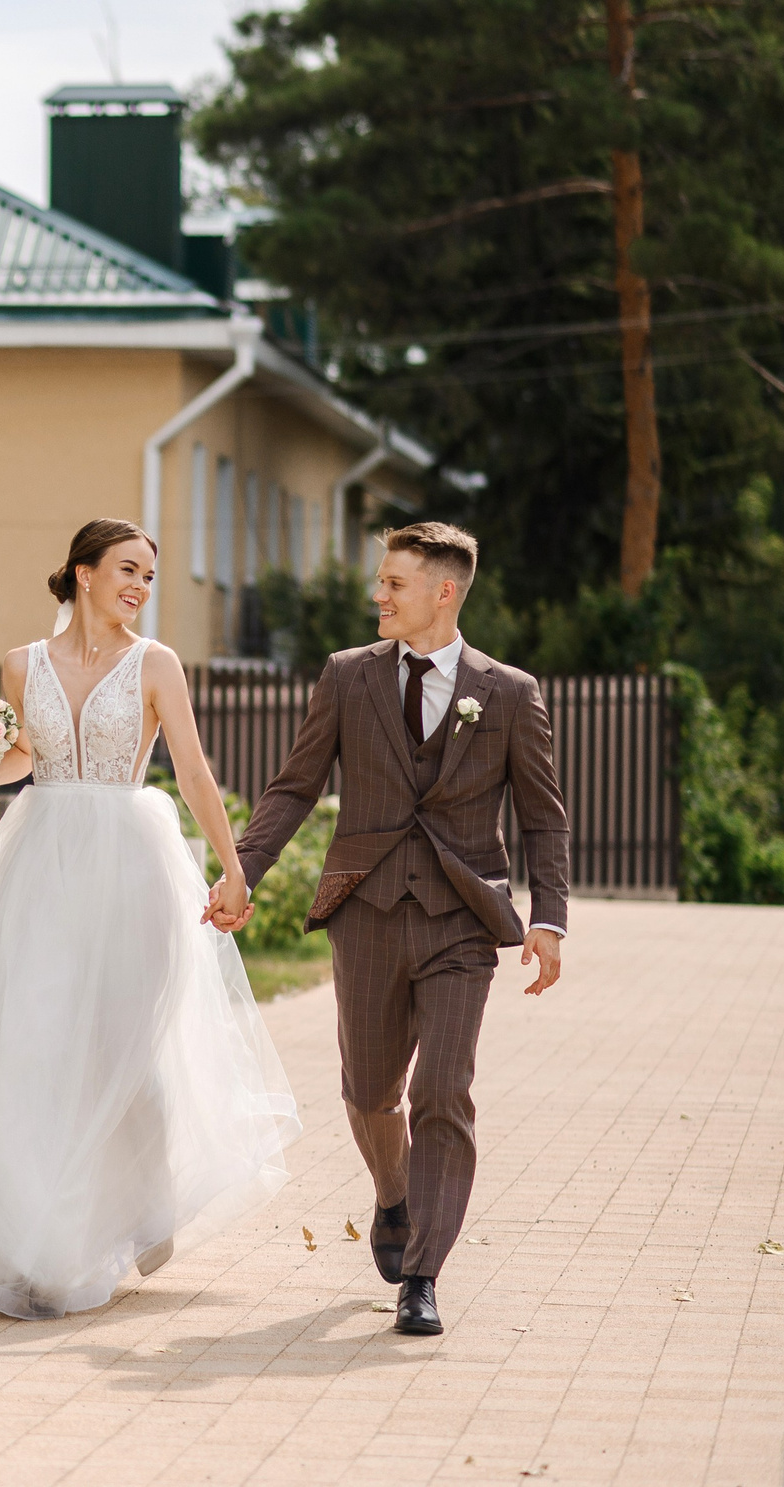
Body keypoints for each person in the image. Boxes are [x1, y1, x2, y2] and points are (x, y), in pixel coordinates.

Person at [0, 519, 301, 1319]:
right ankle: (36, 1236)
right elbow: (26, 758)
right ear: (82, 573)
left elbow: (191, 768)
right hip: (40, 862)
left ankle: (143, 1202)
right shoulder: (21, 665)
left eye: (150, 576)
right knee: (34, 1041)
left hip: (130, 860)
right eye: (127, 569)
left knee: (127, 1044)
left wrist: (231, 867)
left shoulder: (155, 664)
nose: (140, 587)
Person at [214, 521, 567, 1338]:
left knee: (444, 1089)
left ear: (443, 593)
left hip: (461, 922)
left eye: (394, 583)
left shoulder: (509, 692)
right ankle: (392, 1194)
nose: (378, 594)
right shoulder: (346, 676)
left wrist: (548, 919)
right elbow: (295, 786)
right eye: (379, 581)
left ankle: (423, 1274)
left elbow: (544, 819)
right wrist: (244, 870)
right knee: (370, 1091)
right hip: (366, 912)